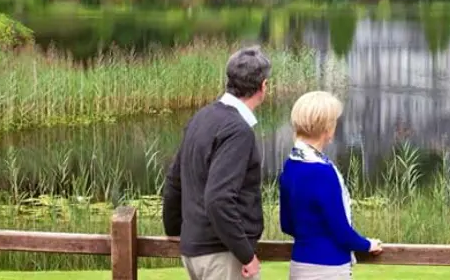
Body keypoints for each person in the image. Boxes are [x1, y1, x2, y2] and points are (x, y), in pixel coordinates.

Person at [164, 48, 271, 280]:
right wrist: (246, 255)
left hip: (196, 250)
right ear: (263, 86)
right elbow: (219, 198)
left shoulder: (201, 117)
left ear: (229, 80)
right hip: (222, 254)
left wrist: (175, 232)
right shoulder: (238, 130)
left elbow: (174, 181)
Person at [279, 91, 382, 279]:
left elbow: (286, 224)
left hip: (300, 263)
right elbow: (342, 231)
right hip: (328, 268)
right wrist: (367, 245)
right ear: (327, 128)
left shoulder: (291, 164)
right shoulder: (322, 172)